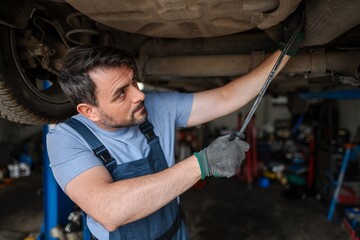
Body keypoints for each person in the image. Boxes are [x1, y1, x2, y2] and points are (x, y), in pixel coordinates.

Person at [46, 30, 302, 239]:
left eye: (134, 81)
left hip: (174, 234)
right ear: (89, 111)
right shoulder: (66, 138)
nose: (140, 95)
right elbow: (109, 210)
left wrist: (284, 53)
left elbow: (227, 96)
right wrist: (203, 163)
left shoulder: (157, 107)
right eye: (121, 93)